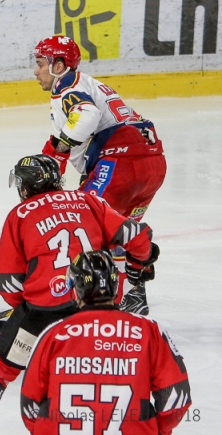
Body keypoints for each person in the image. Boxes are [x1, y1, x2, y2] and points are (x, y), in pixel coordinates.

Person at [0, 154, 159, 435]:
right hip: (97, 308)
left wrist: (28, 308)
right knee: (112, 369)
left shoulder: (19, 215)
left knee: (0, 367)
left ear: (26, 186)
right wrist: (136, 268)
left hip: (41, 312)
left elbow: (8, 282)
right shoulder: (87, 200)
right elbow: (138, 236)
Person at [33, 35, 166, 315]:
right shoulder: (88, 83)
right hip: (153, 165)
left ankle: (82, 300)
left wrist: (60, 147)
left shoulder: (66, 86)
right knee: (119, 231)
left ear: (58, 66)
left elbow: (86, 115)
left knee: (84, 225)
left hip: (120, 164)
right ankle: (131, 295)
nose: (36, 71)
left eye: (41, 64)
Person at [21, 249, 191, 435]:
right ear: (115, 285)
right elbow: (176, 398)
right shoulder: (148, 330)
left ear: (76, 290)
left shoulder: (54, 334)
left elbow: (30, 406)